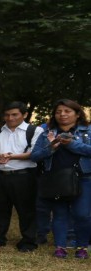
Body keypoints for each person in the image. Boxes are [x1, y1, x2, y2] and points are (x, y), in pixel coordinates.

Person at [30, 99, 91, 259]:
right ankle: (60, 247)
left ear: (77, 114)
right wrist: (51, 148)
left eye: (67, 111)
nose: (62, 114)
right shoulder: (47, 132)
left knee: (82, 214)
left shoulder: (87, 130)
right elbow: (34, 156)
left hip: (83, 178)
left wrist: (71, 144)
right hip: (55, 178)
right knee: (59, 214)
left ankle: (82, 247)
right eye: (58, 112)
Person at [0, 101, 42, 252]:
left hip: (24, 176)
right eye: (7, 115)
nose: (10, 118)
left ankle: (28, 242)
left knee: (26, 210)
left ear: (24, 115)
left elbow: (35, 153)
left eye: (14, 114)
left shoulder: (35, 131)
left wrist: (11, 157)